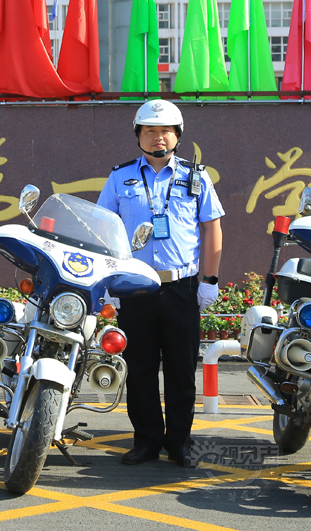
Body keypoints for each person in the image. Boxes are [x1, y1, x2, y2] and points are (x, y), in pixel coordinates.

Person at [97, 100, 224, 466]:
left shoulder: (196, 177)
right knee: (139, 367)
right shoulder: (120, 178)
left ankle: (180, 443)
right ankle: (147, 440)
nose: (158, 138)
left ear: (177, 136)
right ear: (138, 136)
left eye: (165, 130)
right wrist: (109, 283)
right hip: (135, 287)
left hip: (181, 287)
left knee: (181, 369)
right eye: (150, 131)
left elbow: (211, 229)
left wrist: (210, 281)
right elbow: (107, 230)